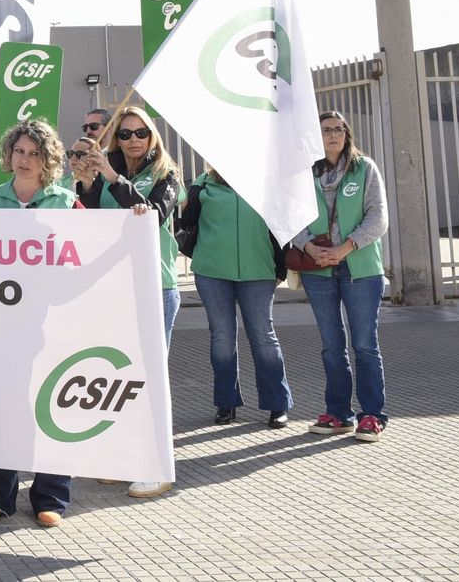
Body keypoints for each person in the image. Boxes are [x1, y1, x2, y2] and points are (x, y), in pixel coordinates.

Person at [0, 121, 78, 526]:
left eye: (35, 153)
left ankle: (51, 496)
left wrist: (133, 217)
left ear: (48, 159)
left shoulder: (68, 202)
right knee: (1, 406)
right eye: (19, 152)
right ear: (8, 155)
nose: (26, 160)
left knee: (48, 404)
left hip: (53, 322)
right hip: (3, 323)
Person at [74, 108, 181, 498]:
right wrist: (85, 186)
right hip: (113, 285)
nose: (133, 140)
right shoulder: (106, 171)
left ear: (152, 136)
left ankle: (158, 465)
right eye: (125, 134)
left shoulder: (167, 174)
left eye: (141, 133)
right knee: (119, 376)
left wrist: (113, 179)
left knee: (152, 376)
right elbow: (88, 221)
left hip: (155, 282)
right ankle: (124, 458)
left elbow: (152, 215)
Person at [289, 111, 391, 443]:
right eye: (325, 130)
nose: (333, 135)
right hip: (320, 269)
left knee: (364, 344)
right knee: (332, 346)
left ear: (347, 134)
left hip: (360, 268)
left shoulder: (365, 168)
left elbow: (378, 217)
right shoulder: (304, 173)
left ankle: (372, 415)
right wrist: (309, 247)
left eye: (338, 129)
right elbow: (292, 215)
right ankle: (338, 413)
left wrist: (346, 247)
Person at [178, 166, 292, 428]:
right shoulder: (203, 184)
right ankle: (226, 403)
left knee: (263, 336)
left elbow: (281, 228)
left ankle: (278, 405)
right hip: (212, 272)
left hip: (259, 271)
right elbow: (187, 223)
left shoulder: (267, 182)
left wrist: (281, 268)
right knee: (222, 337)